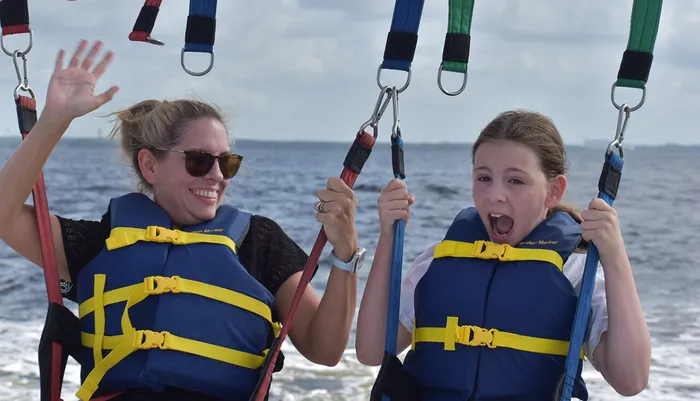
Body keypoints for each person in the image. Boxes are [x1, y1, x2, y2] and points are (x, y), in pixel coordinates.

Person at [0, 39, 367, 401]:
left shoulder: (260, 242)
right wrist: (53, 121)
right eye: (198, 161)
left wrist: (346, 251)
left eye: (227, 162)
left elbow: (325, 349)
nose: (216, 176)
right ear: (149, 165)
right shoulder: (101, 243)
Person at [356, 109, 651, 400]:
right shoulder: (437, 261)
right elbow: (371, 350)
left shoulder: (575, 271)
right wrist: (388, 235)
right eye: (483, 178)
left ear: (553, 191)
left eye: (516, 181)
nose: (495, 194)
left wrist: (614, 256)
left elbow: (630, 379)